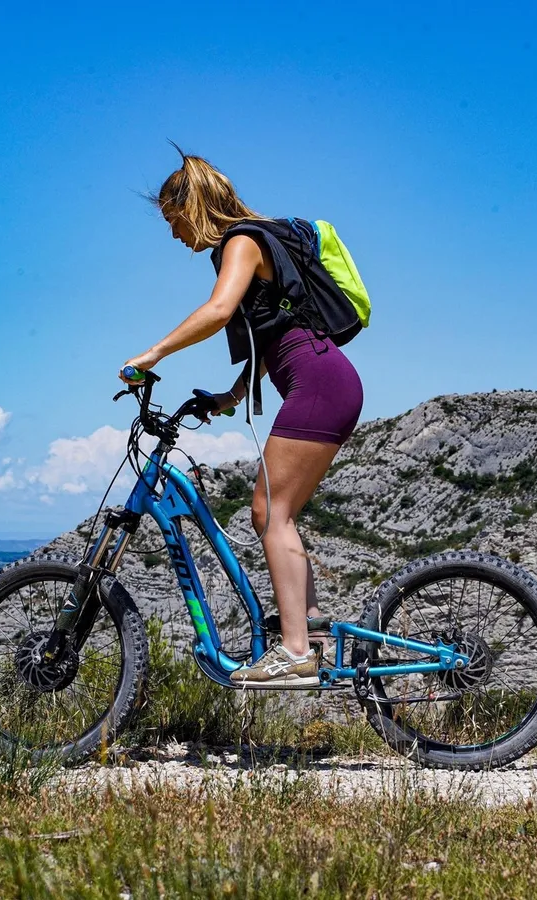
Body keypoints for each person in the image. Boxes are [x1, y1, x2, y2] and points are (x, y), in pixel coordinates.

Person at [120, 149, 364, 688]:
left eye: (172, 219)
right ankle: (313, 629)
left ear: (192, 205)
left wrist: (153, 353)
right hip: (321, 379)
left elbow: (218, 311)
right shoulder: (256, 241)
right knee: (278, 513)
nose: (174, 233)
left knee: (268, 512)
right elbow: (273, 334)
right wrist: (231, 395)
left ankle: (296, 652)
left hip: (319, 382)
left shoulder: (242, 241)